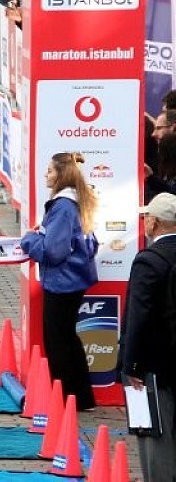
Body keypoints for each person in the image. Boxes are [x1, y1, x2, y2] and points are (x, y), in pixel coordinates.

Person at [20, 152, 99, 411]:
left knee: (57, 341)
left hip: (63, 281)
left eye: (50, 170)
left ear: (61, 175)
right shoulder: (76, 201)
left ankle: (64, 398)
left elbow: (53, 251)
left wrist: (29, 240)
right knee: (66, 337)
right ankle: (80, 397)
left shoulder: (64, 206)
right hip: (72, 279)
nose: (46, 174)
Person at [122, 193, 176, 480]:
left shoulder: (149, 261)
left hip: (156, 366)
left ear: (154, 222)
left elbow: (138, 317)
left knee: (157, 439)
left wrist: (131, 365)